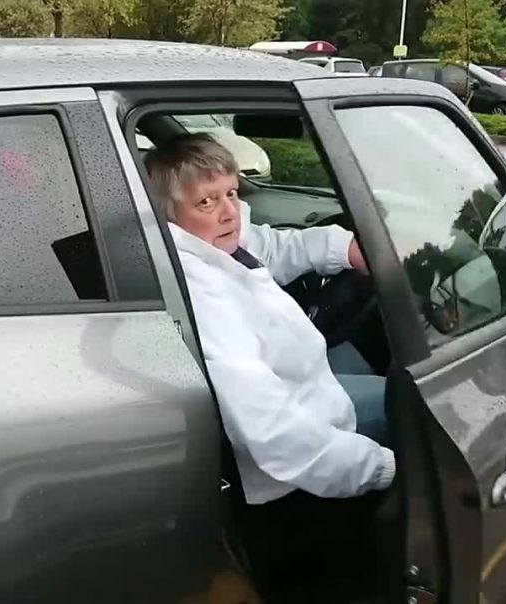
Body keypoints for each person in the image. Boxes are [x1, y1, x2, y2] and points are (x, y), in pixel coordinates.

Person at [144, 133, 396, 599]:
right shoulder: (203, 294)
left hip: (306, 393)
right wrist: (381, 469)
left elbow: (273, 248)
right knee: (404, 402)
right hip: (296, 456)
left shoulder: (213, 244)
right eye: (206, 202)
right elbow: (276, 436)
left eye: (231, 194)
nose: (228, 212)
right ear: (169, 215)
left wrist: (346, 249)